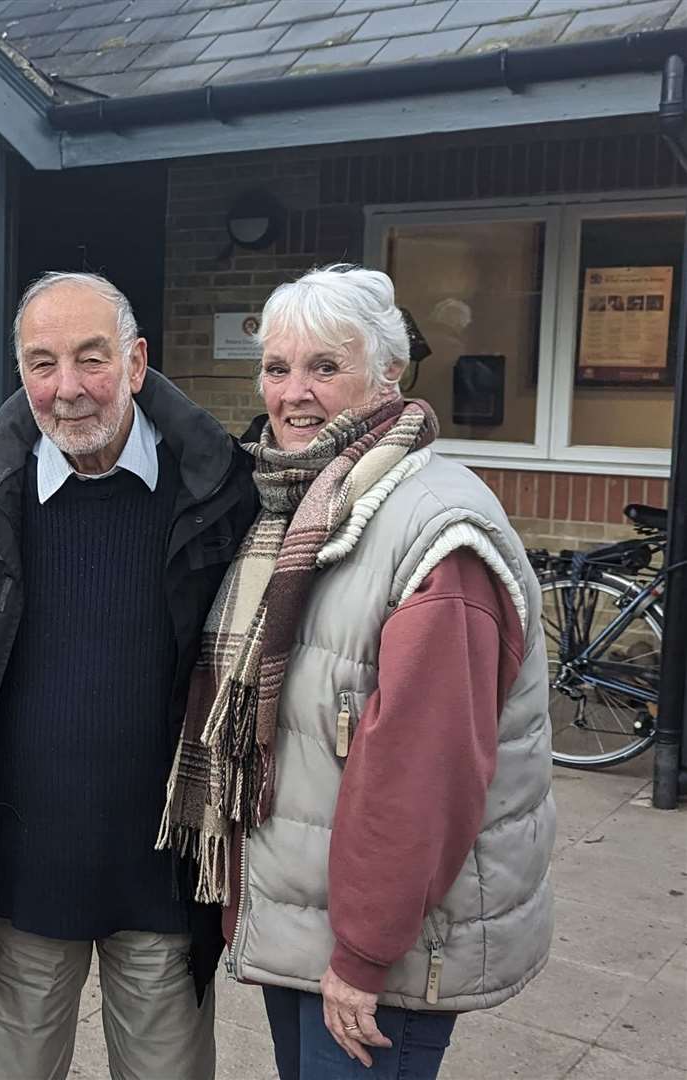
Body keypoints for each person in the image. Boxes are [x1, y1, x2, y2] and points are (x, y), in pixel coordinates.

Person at [156, 265, 553, 1080]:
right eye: (276, 368)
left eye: (324, 368)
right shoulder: (299, 500)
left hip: (379, 952)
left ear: (387, 374)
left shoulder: (434, 529)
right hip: (304, 918)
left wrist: (363, 956)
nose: (292, 393)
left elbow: (422, 774)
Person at [0, 271, 257, 1080]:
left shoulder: (217, 491)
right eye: (41, 363)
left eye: (90, 358)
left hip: (163, 869)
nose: (66, 389)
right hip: (19, 866)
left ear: (137, 363)